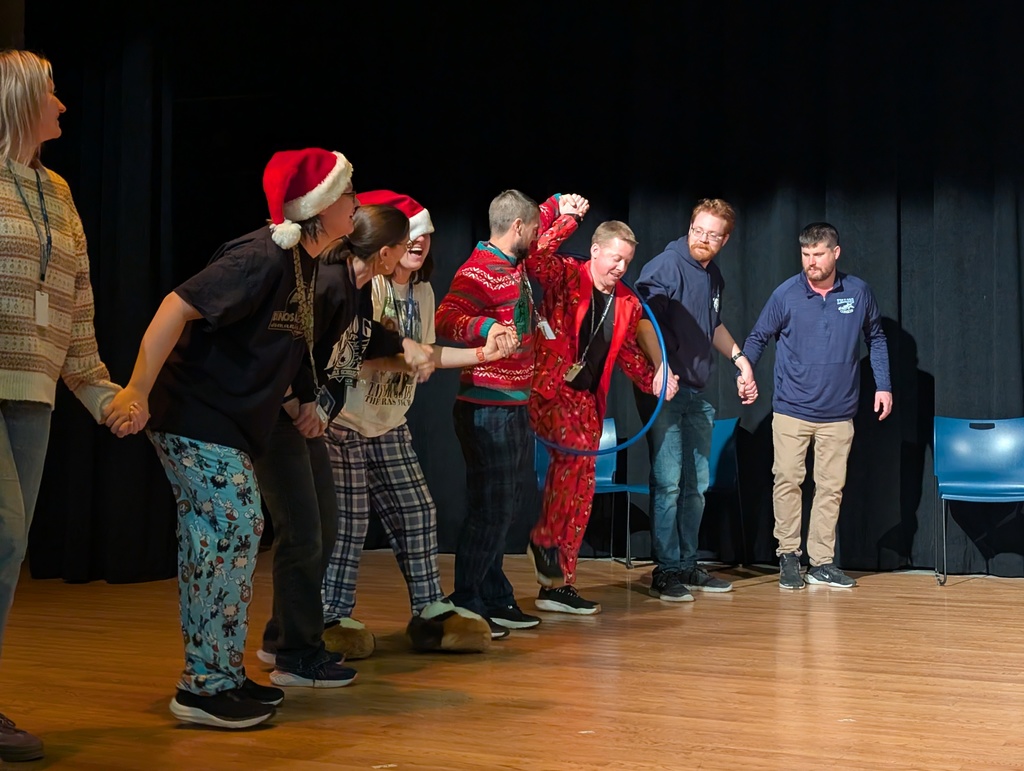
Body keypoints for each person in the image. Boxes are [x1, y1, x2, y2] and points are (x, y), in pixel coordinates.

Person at [103, 148, 428, 729]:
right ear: (320, 207)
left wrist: (305, 401)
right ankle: (204, 686)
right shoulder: (261, 255)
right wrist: (136, 388)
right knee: (231, 530)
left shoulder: (305, 265)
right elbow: (177, 306)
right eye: (347, 195)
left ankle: (221, 677)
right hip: (192, 413)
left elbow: (292, 350)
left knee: (237, 534)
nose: (356, 204)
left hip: (231, 422)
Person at [321, 190, 516, 658]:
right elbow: (353, 357)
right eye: (409, 234)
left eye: (425, 234)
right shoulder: (368, 286)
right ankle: (330, 616)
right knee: (349, 524)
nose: (418, 243)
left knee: (417, 513)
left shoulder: (423, 293)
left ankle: (430, 610)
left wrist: (482, 354)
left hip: (389, 422)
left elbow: (427, 353)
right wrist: (407, 359)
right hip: (345, 422)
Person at [0, 48, 127, 763]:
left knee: (8, 549)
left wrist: (101, 392)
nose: (63, 104)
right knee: (3, 537)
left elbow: (77, 304)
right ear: (21, 98)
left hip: (33, 393)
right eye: (51, 92)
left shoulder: (58, 190)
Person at [253, 202, 435, 687]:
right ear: (386, 252)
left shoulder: (354, 289)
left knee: (321, 530)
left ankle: (282, 638)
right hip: (283, 415)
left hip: (309, 415)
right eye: (403, 245)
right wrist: (296, 402)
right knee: (306, 534)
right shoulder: (330, 282)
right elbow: (287, 345)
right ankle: (297, 656)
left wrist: (406, 347)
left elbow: (363, 340)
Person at [435, 190, 583, 634]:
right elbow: (445, 318)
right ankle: (467, 600)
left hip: (513, 405)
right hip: (486, 407)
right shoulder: (478, 270)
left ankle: (495, 595)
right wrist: (486, 327)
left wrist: (558, 205)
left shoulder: (513, 263)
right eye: (534, 229)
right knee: (491, 508)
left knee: (505, 506)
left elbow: (532, 218)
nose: (538, 236)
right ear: (517, 228)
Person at [526, 211, 678, 614]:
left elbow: (628, 355)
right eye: (615, 258)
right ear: (595, 251)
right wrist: (566, 219)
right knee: (572, 461)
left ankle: (559, 583)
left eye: (627, 261)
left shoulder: (626, 303)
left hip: (587, 403)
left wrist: (656, 379)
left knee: (582, 489)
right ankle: (544, 540)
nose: (620, 267)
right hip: (552, 391)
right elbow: (534, 258)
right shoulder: (566, 275)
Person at [740, 221, 892, 590]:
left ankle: (821, 562)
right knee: (788, 481)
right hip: (792, 409)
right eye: (806, 254)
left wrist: (884, 386)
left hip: (839, 412)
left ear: (835, 253)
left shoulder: (857, 292)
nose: (811, 261)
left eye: (819, 254)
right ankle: (788, 556)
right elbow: (758, 336)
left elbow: (876, 337)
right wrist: (745, 370)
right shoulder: (786, 294)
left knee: (830, 488)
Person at [634, 198, 755, 603]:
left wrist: (740, 359)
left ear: (725, 240)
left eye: (712, 235)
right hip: (666, 389)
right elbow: (642, 321)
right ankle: (666, 570)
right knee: (668, 482)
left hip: (696, 392)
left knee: (697, 485)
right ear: (689, 227)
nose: (702, 239)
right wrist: (660, 366)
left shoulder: (712, 274)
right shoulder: (666, 266)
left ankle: (687, 563)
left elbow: (713, 324)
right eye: (697, 230)